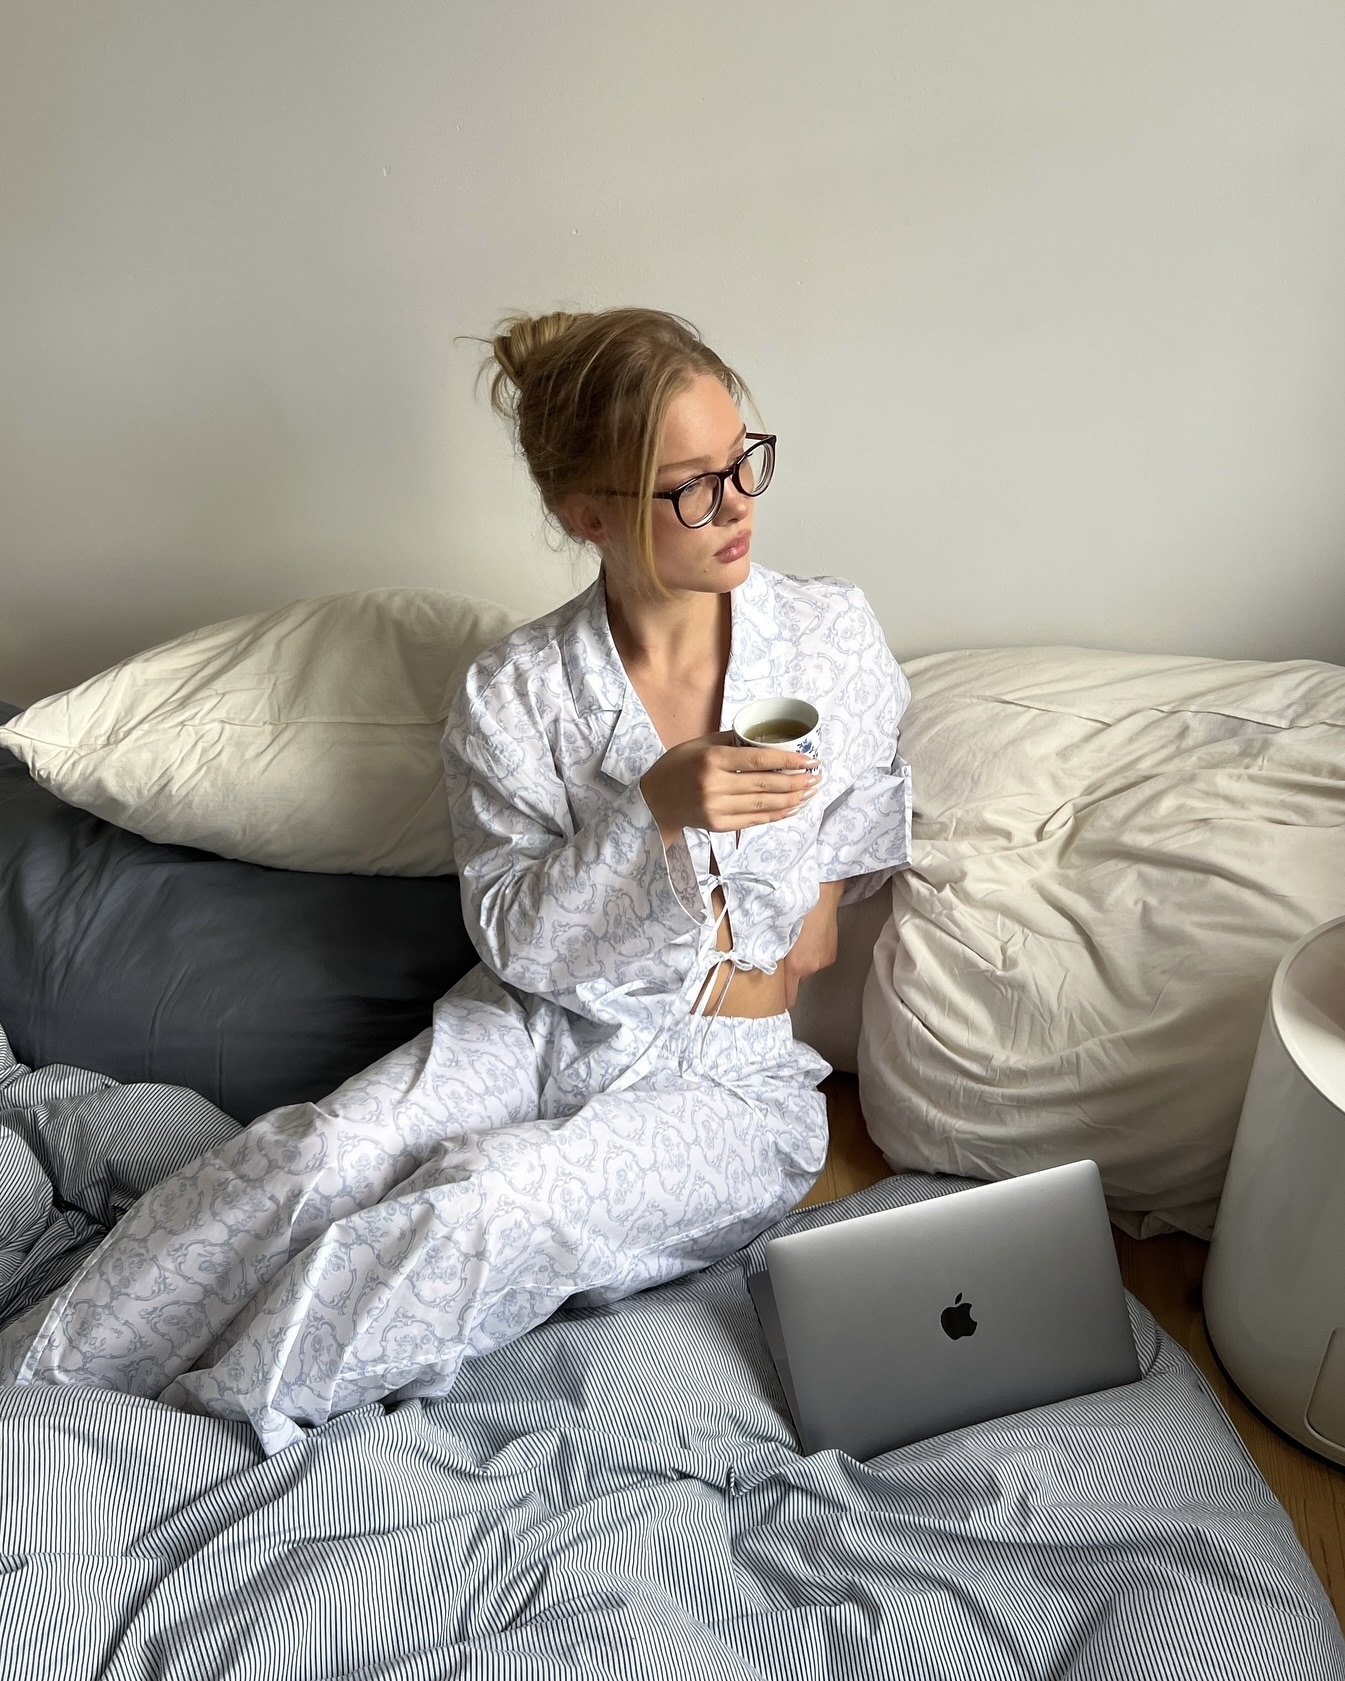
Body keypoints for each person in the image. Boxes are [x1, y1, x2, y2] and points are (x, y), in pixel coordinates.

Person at [0, 307, 912, 1454]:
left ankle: (185, 1434)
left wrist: (810, 906)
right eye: (689, 487)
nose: (735, 507)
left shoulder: (826, 634)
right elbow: (516, 939)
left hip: (727, 1084)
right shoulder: (515, 690)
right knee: (316, 1156)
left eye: (743, 462)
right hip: (528, 1029)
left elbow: (861, 809)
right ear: (586, 514)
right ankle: (31, 1383)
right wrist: (651, 811)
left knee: (487, 1199)